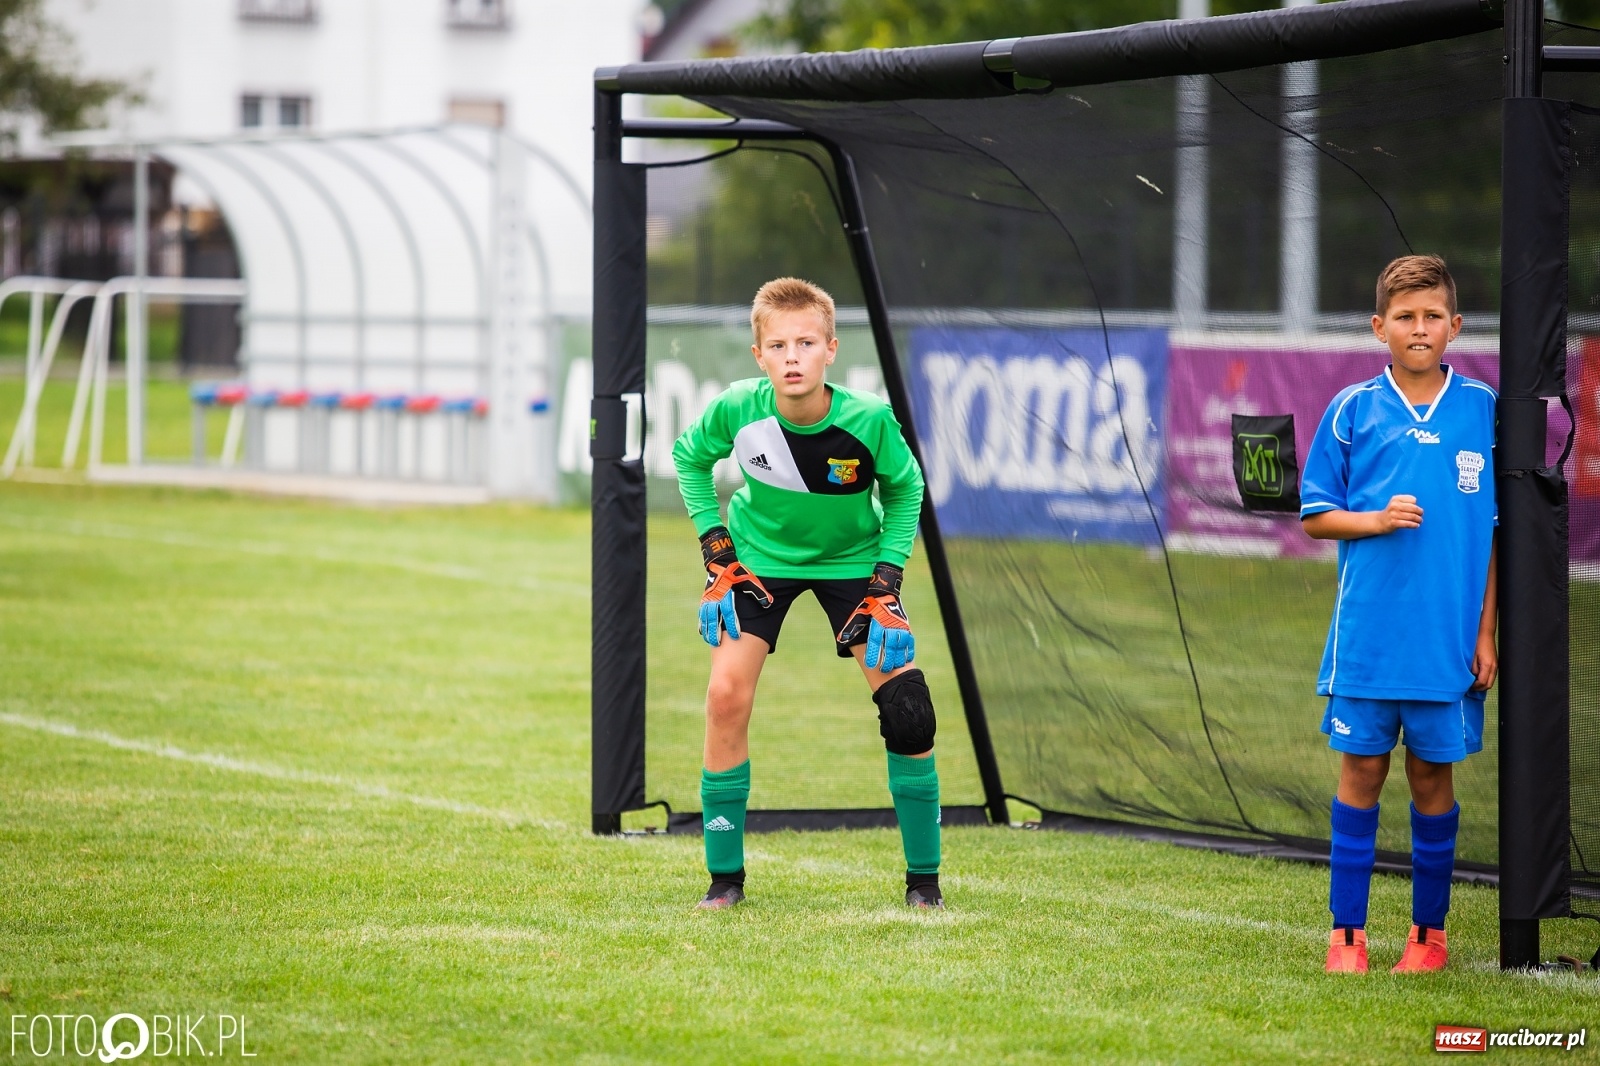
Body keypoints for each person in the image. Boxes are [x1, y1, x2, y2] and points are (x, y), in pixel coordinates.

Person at [671, 276, 943, 911]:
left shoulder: (869, 419)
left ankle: (924, 884)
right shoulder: (738, 408)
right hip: (758, 562)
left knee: (909, 708)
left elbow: (906, 490)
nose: (792, 356)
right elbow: (689, 458)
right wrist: (716, 550)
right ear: (758, 356)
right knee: (724, 696)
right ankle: (724, 881)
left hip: (853, 563)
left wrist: (888, 578)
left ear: (830, 350)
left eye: (805, 343)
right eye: (778, 345)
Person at [1300, 254, 1498, 974]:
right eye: (1406, 317)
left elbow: (1497, 530)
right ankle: (1346, 936)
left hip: (1447, 643)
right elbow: (1317, 517)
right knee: (1360, 776)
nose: (1420, 328)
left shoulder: (1483, 407)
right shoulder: (1353, 409)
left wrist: (1485, 631)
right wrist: (1378, 519)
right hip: (1369, 641)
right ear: (1379, 326)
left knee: (1430, 782)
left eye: (1433, 316)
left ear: (1455, 326)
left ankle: (1428, 937)